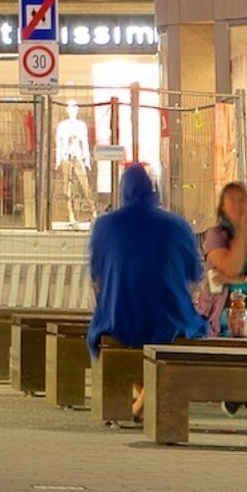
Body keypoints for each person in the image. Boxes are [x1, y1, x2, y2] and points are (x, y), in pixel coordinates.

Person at [83, 162, 205, 414]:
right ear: (154, 190)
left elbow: (97, 278)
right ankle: (147, 400)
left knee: (121, 334)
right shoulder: (179, 226)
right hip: (169, 321)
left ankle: (144, 401)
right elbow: (194, 275)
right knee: (192, 326)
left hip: (119, 321)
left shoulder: (105, 226)